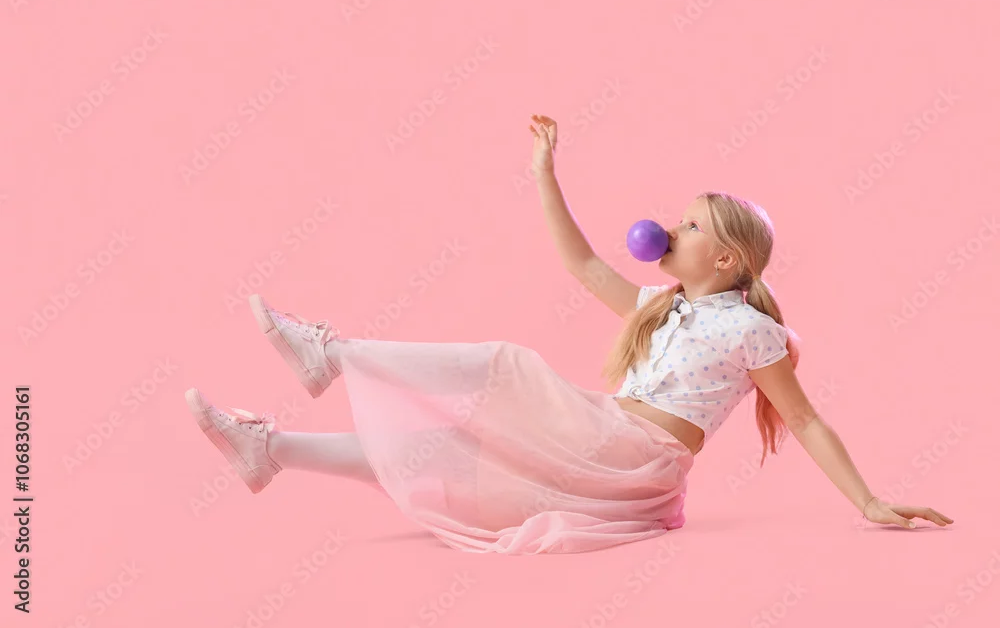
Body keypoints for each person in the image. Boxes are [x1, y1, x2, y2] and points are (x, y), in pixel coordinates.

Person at [184, 114, 952, 555]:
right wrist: (544, 174)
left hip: (634, 453)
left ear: (725, 259)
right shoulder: (661, 305)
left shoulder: (753, 332)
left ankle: (333, 355)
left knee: (507, 363)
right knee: (443, 457)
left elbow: (806, 418)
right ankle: (271, 449)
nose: (670, 230)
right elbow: (584, 264)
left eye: (690, 226)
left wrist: (870, 499)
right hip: (608, 446)